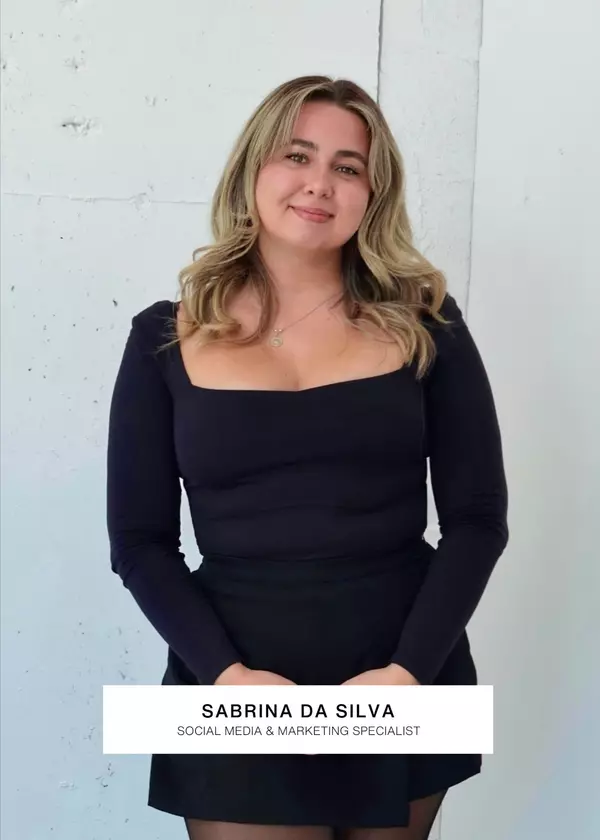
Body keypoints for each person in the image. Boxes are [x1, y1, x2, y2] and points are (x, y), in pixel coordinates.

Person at [106, 75, 509, 840]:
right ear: (253, 167)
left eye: (347, 167)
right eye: (298, 155)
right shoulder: (161, 337)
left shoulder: (428, 323)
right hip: (231, 676)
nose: (320, 183)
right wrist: (228, 679)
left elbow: (478, 519)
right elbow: (139, 543)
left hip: (405, 668)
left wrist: (406, 675)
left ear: (372, 195)